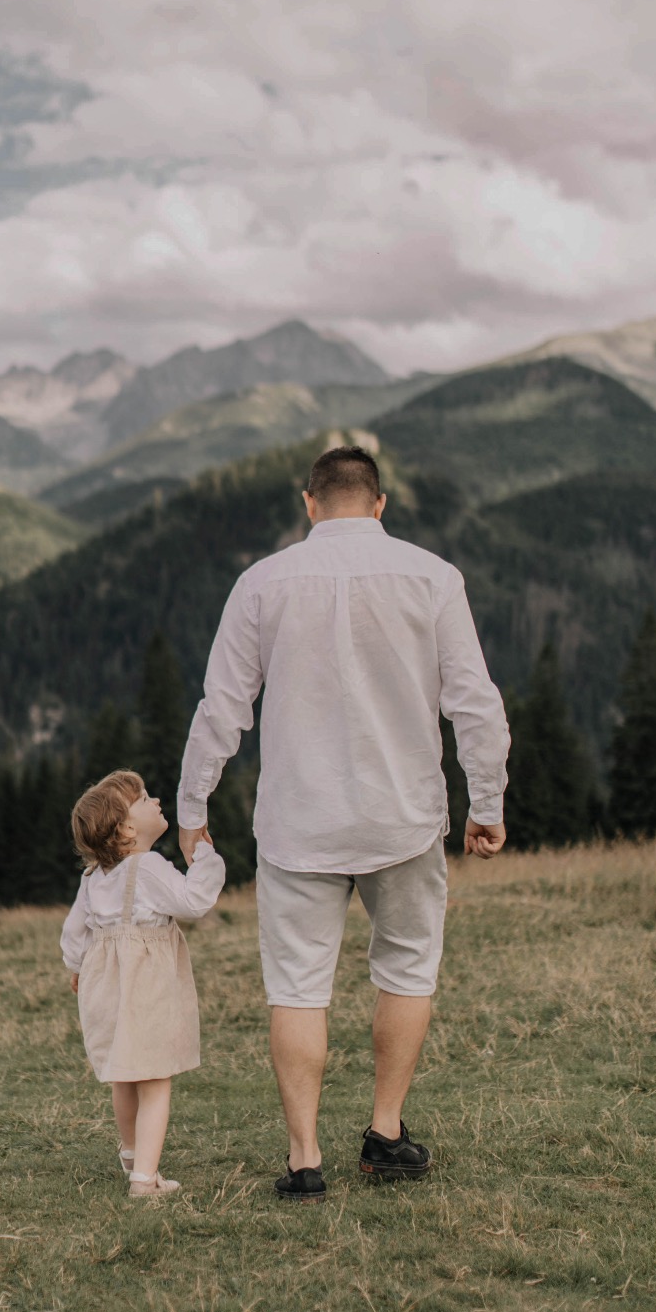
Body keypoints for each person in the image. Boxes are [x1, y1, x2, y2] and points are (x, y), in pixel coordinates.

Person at [176, 443, 509, 1202]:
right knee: (406, 971)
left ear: (310, 503)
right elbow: (474, 704)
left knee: (296, 988)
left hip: (300, 823)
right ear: (380, 504)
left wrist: (191, 811)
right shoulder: (431, 576)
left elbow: (221, 708)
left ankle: (303, 1161)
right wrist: (485, 804)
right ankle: (385, 1135)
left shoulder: (261, 583)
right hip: (403, 819)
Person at [61, 769, 227, 1199]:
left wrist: (76, 967)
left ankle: (133, 1155)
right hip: (144, 986)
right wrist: (206, 859)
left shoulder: (92, 877)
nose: (156, 801)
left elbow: (75, 931)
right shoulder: (148, 867)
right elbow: (193, 901)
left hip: (105, 985)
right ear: (128, 828)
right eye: (146, 799)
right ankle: (144, 1181)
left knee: (125, 1075)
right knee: (154, 1079)